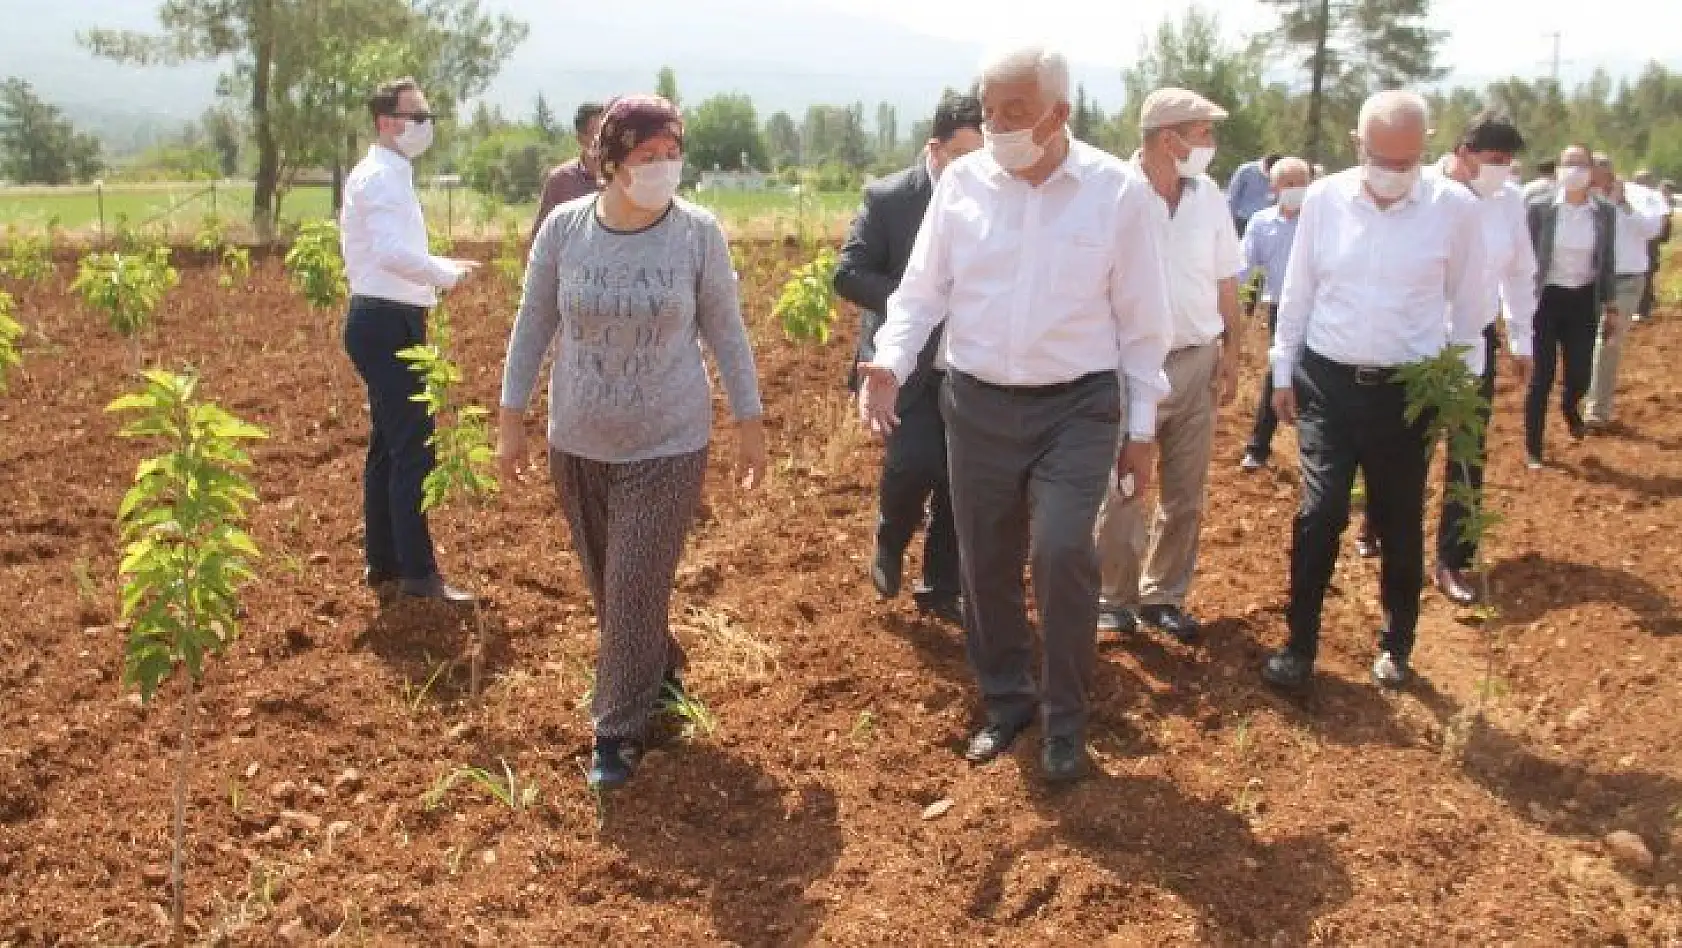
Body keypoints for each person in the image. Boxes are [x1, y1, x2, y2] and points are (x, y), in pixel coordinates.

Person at [857, 46, 1171, 782]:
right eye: (989, 109)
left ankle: (1066, 720)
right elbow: (923, 292)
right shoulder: (963, 184)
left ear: (1060, 113)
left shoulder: (1116, 193)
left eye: (1015, 113)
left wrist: (1143, 432)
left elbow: (1143, 323)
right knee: (985, 559)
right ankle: (1007, 703)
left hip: (1077, 406)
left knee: (1062, 550)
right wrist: (891, 363)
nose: (995, 126)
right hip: (978, 401)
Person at [497, 95, 768, 790]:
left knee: (634, 581)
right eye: (648, 157)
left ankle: (614, 732)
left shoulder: (696, 234)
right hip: (578, 439)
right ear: (611, 162)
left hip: (668, 442)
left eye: (673, 155)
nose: (664, 168)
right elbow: (533, 322)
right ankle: (663, 666)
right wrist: (511, 416)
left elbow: (726, 330)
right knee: (612, 590)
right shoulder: (565, 229)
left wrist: (749, 422)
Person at [1261, 90, 1487, 692]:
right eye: (1381, 160)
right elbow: (1300, 287)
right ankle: (1299, 643)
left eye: (1406, 161)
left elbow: (1468, 312)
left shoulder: (1455, 210)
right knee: (1320, 510)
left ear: (1425, 150)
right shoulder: (1325, 200)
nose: (1393, 174)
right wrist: (1283, 369)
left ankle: (1397, 644)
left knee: (1399, 517)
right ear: (1358, 147)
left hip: (1406, 392)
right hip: (1329, 380)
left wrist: (1461, 393)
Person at [1093, 88, 1242, 645]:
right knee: (1126, 483)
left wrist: (1232, 352)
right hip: (1132, 364)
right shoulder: (1115, 194)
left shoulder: (1209, 198)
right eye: (1203, 133)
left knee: (1186, 491)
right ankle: (1114, 598)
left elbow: (1226, 278)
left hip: (1197, 358)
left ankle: (1164, 595)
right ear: (1168, 138)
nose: (1211, 144)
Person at [834, 94, 985, 625]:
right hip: (905, 362)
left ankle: (941, 585)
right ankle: (891, 535)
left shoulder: (995, 199)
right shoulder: (891, 198)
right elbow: (848, 272)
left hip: (966, 363)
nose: (975, 167)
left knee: (956, 476)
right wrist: (918, 296)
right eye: (964, 155)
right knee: (913, 463)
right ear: (936, 150)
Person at [340, 77, 481, 606]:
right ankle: (419, 575)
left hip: (388, 319)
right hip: (386, 322)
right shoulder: (379, 177)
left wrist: (439, 272)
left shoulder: (390, 173)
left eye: (428, 116)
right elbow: (390, 251)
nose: (426, 125)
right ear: (385, 122)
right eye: (416, 116)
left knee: (388, 448)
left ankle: (385, 562)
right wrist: (444, 273)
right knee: (413, 451)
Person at [1425, 113, 1537, 605]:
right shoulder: (1424, 191)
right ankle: (1381, 528)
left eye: (1509, 163)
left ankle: (1454, 558)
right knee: (1406, 441)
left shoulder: (1509, 203)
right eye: (1494, 161)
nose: (1502, 171)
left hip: (1476, 338)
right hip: (1419, 339)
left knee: (1468, 450)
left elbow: (1519, 272)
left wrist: (1522, 338)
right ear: (1464, 151)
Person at [1523, 145, 1617, 469]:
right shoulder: (1539, 208)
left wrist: (1611, 303)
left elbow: (1607, 260)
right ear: (1558, 169)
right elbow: (1523, 256)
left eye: (1581, 164)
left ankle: (1569, 405)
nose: (1574, 170)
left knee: (1579, 372)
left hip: (1583, 299)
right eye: (1568, 163)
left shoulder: (1604, 211)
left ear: (1592, 171)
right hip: (1546, 299)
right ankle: (1533, 447)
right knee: (1542, 375)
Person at [1237, 156, 1312, 472]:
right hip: (1281, 307)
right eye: (1289, 184)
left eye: (1301, 183)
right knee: (1277, 374)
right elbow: (1244, 267)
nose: (1296, 190)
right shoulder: (1261, 223)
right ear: (1274, 187)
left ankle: (1313, 453)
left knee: (1315, 377)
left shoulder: (1317, 220)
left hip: (1319, 309)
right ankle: (1258, 448)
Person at [1583, 164, 1667, 426]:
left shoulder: (1642, 196)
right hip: (1585, 279)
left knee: (1606, 341)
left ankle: (1597, 410)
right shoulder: (1579, 196)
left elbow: (1652, 230)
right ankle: (1580, 396)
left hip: (1625, 280)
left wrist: (1623, 204)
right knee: (1579, 342)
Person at [531, 102, 606, 240]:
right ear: (581, 139)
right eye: (599, 136)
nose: (606, 142)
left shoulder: (625, 178)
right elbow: (540, 235)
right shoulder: (560, 180)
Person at [1633, 170, 1671, 322]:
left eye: (1644, 181)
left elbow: (1663, 220)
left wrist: (1659, 235)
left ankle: (1643, 310)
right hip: (1633, 244)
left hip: (1649, 244)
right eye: (1639, 181)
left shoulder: (1655, 199)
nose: (1642, 184)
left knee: (1646, 277)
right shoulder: (1630, 196)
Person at [1227, 152, 1281, 236]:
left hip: (1265, 223)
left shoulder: (1278, 176)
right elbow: (1232, 196)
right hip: (1243, 221)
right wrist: (1229, 221)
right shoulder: (1246, 170)